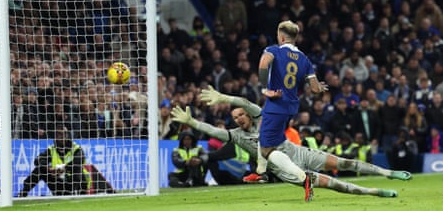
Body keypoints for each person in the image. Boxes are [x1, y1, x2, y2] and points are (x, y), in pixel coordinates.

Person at [170, 86, 411, 200]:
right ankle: (375, 192)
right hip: (285, 169)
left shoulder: (260, 116)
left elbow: (244, 101)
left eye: (240, 114)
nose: (239, 118)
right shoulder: (237, 136)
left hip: (298, 152)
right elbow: (212, 130)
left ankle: (389, 172)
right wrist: (192, 121)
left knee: (346, 162)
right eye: (234, 118)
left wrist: (223, 97)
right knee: (338, 186)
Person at [256, 20, 329, 201]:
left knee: (266, 149)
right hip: (291, 107)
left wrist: (265, 88)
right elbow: (313, 87)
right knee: (269, 139)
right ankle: (261, 172)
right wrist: (319, 87)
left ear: (281, 36)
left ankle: (304, 178)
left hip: (276, 103)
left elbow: (263, 63)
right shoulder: (304, 58)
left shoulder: (274, 50)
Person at [18, 125, 91, 197]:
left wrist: (63, 169)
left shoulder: (76, 148)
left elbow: (78, 162)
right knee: (40, 169)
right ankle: (23, 192)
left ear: (67, 135)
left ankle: (80, 195)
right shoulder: (52, 150)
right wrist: (49, 169)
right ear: (55, 136)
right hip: (58, 181)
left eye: (63, 134)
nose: (61, 136)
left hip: (72, 182)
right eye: (58, 134)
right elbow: (37, 160)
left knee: (78, 170)